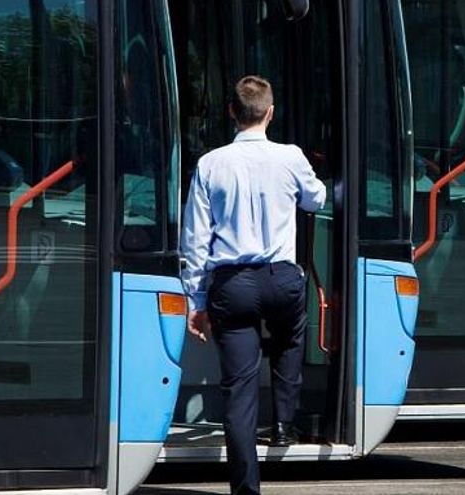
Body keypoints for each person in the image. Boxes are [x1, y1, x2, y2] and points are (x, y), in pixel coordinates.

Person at [181, 75, 326, 495]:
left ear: (232, 112)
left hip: (233, 286)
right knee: (290, 339)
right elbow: (316, 199)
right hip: (281, 278)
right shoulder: (291, 156)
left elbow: (195, 239)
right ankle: (283, 422)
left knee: (239, 390)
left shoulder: (210, 164)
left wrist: (196, 300)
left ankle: (246, 489)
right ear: (270, 112)